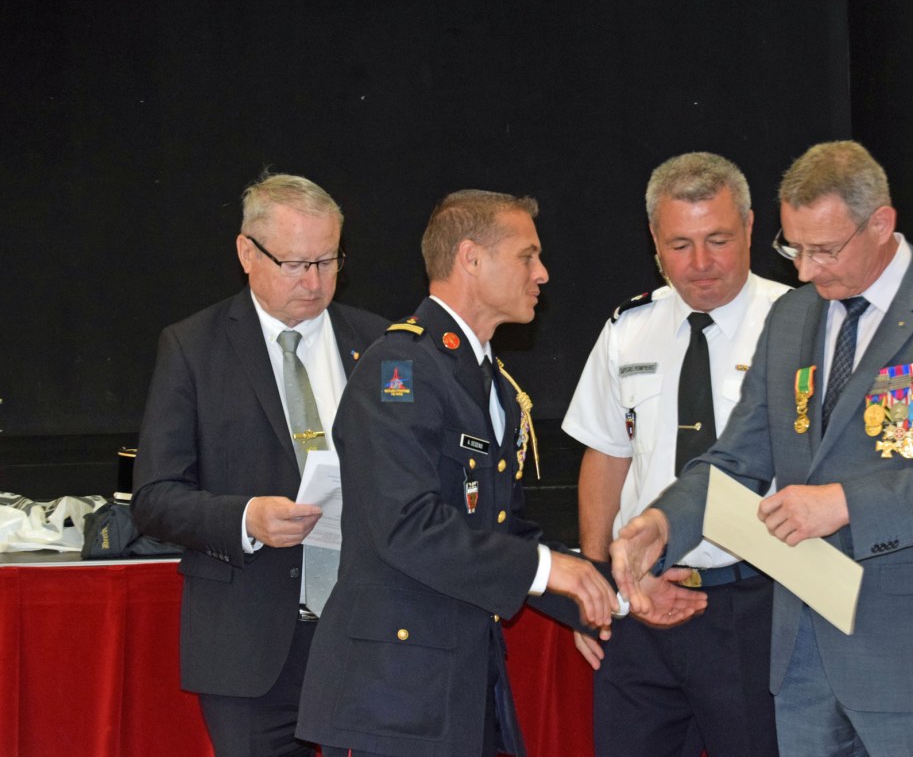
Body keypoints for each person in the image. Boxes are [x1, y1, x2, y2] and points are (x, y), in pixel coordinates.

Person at [612, 141, 913, 757]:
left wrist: (843, 504)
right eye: (793, 249)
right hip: (805, 658)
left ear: (881, 224)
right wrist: (663, 522)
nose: (806, 270)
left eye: (825, 250)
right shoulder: (792, 319)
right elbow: (738, 458)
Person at [295, 190, 706, 757]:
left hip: (460, 686)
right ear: (471, 258)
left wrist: (621, 593)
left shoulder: (491, 382)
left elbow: (502, 530)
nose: (542, 273)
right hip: (396, 697)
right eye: (526, 255)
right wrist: (550, 569)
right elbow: (405, 525)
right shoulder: (400, 368)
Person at [132, 173, 391, 756]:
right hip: (248, 643)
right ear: (247, 253)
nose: (315, 281)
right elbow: (154, 496)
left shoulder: (381, 344)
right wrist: (246, 519)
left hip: (367, 632)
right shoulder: (192, 347)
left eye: (329, 260)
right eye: (295, 263)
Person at [562, 152, 788, 757]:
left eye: (718, 240)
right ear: (654, 242)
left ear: (750, 227)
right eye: (680, 245)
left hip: (754, 602)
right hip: (639, 606)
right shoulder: (628, 328)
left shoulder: (794, 324)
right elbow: (606, 455)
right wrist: (596, 587)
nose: (701, 263)